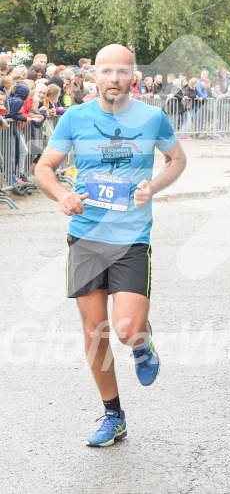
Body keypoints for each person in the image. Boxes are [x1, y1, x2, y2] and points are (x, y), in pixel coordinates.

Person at [35, 44, 186, 447]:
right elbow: (43, 169)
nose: (114, 78)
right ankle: (113, 415)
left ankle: (143, 342)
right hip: (86, 236)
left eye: (122, 71)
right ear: (94, 77)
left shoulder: (153, 117)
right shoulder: (76, 117)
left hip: (132, 239)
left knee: (126, 329)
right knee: (94, 330)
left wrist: (152, 186)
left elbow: (177, 160)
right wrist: (61, 193)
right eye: (106, 71)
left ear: (134, 76)